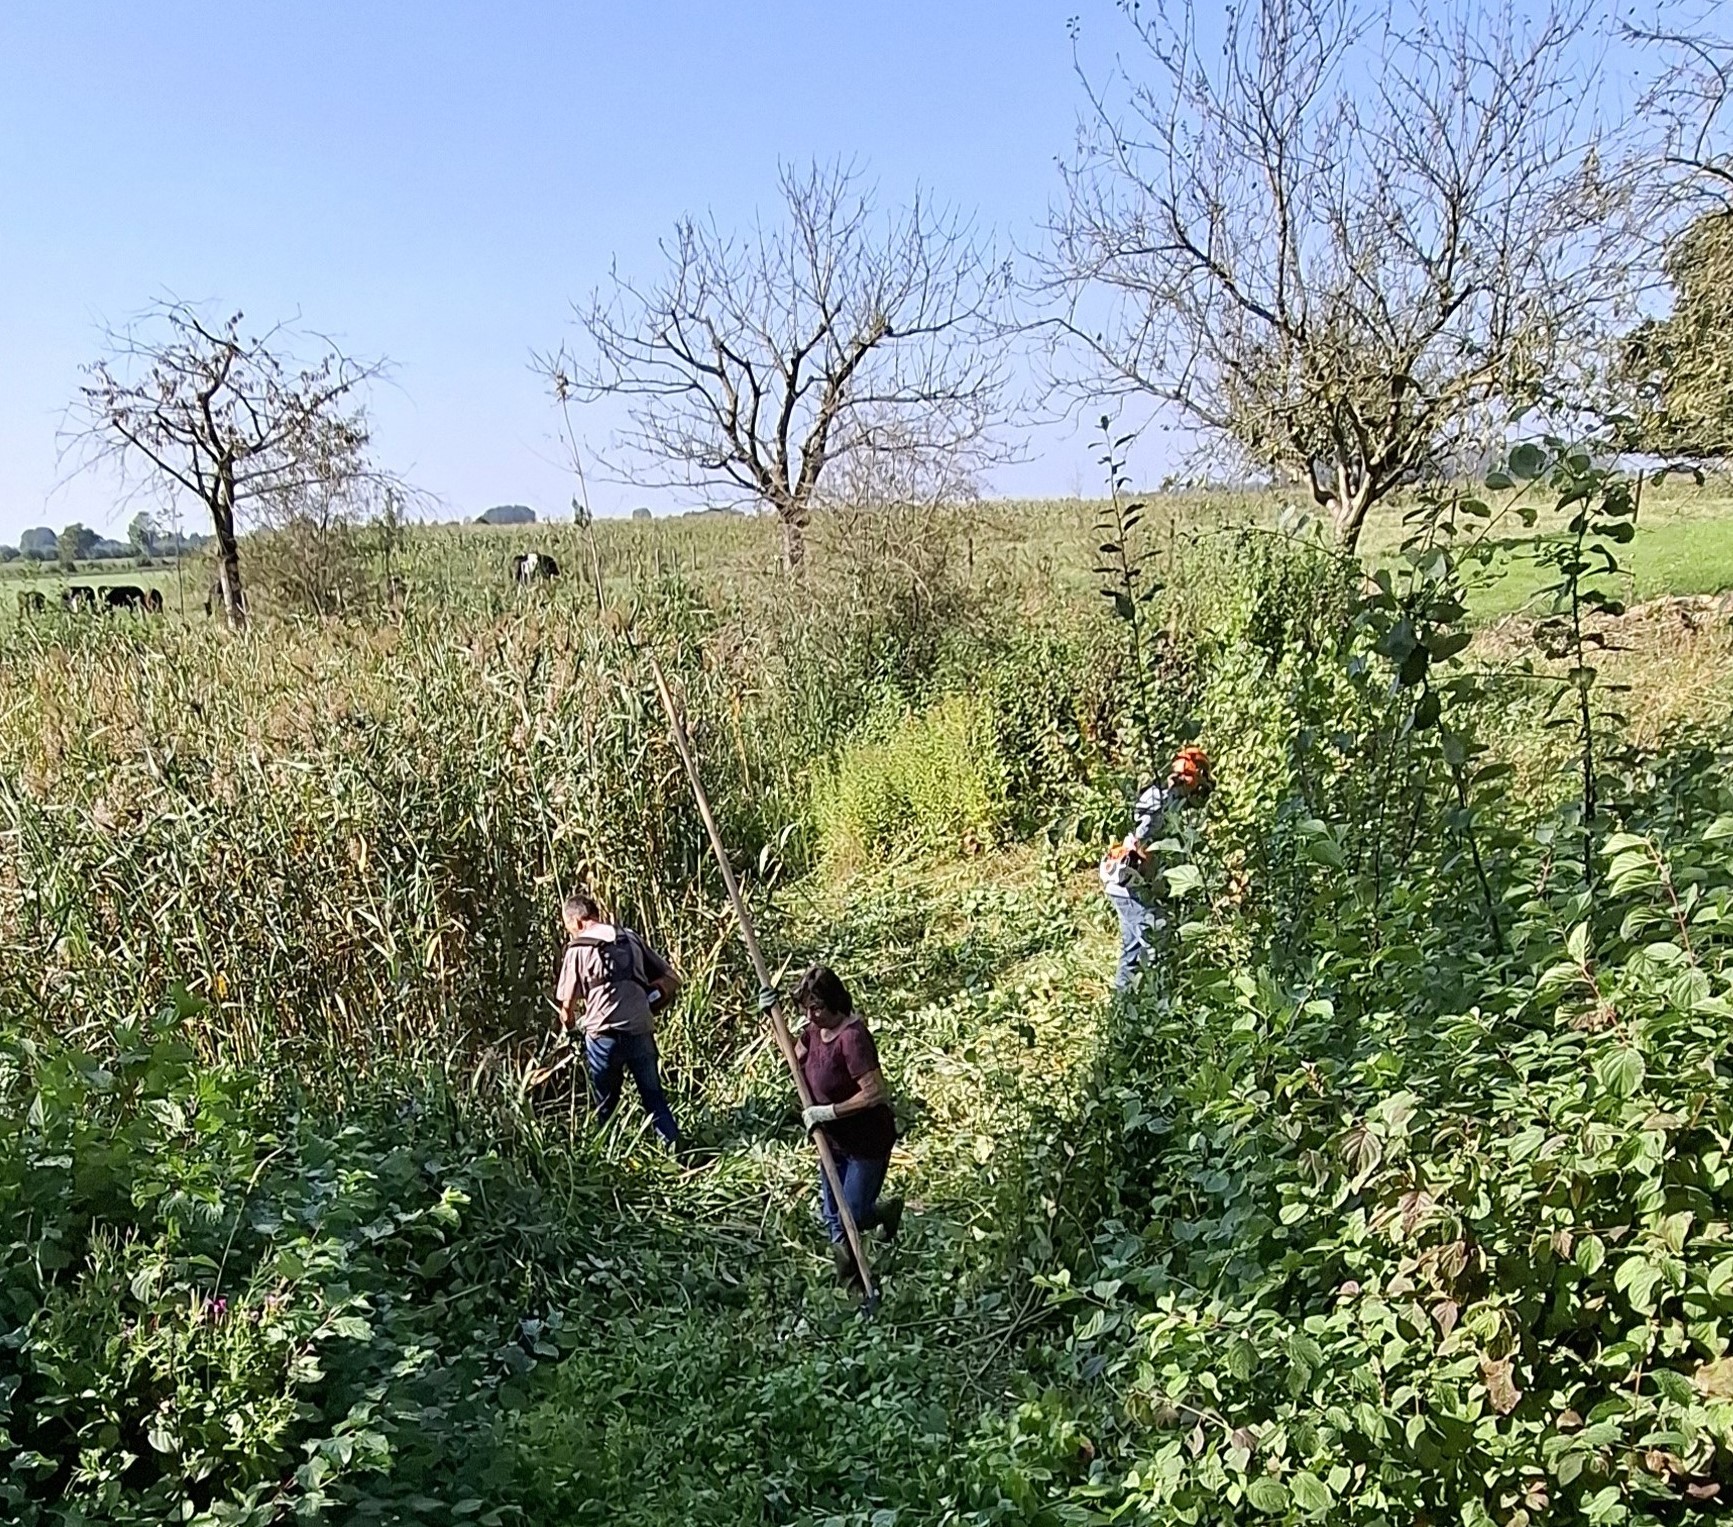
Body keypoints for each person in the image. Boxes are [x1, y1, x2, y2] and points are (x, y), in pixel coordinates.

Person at [779, 965, 902, 1284]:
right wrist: (773, 1018)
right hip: (833, 1144)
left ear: (835, 1002)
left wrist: (827, 1112)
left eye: (816, 1007)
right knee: (834, 1216)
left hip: (865, 1142)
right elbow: (793, 1057)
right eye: (806, 1008)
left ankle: (885, 1212)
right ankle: (853, 1284)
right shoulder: (813, 1031)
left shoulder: (852, 1037)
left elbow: (874, 1093)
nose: (810, 1014)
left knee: (856, 1213)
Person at [555, 890, 681, 1148]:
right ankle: (678, 1152)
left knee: (606, 1107)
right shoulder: (630, 938)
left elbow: (566, 1009)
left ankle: (609, 1160)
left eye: (570, 929)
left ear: (577, 922)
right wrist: (649, 999)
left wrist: (570, 1034)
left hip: (603, 1037)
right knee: (654, 1097)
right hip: (640, 1030)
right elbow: (673, 978)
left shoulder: (577, 948)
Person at [1100, 746, 1213, 989]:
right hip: (1129, 885)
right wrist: (1149, 880)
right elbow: (1142, 840)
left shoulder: (1172, 798)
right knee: (1158, 942)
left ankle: (1122, 1001)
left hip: (1125, 886)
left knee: (1133, 949)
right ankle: (1161, 1000)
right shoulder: (1159, 798)